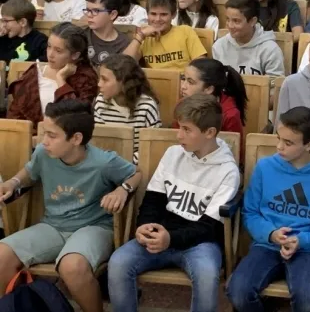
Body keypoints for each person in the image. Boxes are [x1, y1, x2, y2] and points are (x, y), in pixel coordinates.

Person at [0, 99, 140, 312]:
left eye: (52, 135)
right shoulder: (43, 153)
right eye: (44, 133)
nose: (44, 141)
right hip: (53, 226)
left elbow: (136, 173)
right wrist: (13, 182)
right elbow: (30, 171)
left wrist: (122, 190)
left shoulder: (103, 162)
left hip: (93, 227)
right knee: (1, 255)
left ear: (76, 138)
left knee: (72, 267)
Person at [107, 94, 240, 312]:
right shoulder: (173, 154)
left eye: (187, 130)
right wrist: (144, 226)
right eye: (179, 127)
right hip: (160, 234)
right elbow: (153, 200)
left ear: (209, 133)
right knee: (118, 262)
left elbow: (209, 227)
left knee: (207, 275)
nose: (179, 135)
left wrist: (170, 239)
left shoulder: (228, 171)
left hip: (200, 243)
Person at [227, 106, 310, 312]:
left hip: (309, 249)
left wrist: (301, 240)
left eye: (288, 143)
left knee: (307, 302)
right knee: (238, 292)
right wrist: (270, 234)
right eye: (279, 138)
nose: (279, 147)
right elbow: (250, 213)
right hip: (267, 244)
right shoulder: (265, 167)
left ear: (309, 144)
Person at [7, 23, 99, 129]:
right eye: (49, 46)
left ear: (75, 55)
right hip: (28, 134)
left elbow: (75, 118)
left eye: (58, 51)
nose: (50, 54)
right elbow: (15, 113)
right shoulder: (35, 72)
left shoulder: (85, 78)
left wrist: (61, 80)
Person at [94, 54, 160, 163]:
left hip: (136, 165)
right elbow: (99, 142)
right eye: (99, 78)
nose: (99, 84)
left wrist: (125, 164)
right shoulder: (100, 102)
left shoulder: (147, 106)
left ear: (124, 83)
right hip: (107, 163)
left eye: (105, 80)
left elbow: (152, 146)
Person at [123, 0, 207, 70]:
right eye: (153, 14)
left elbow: (201, 67)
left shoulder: (186, 32)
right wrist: (140, 36)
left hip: (182, 78)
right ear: (147, 14)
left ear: (173, 14)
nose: (157, 19)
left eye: (163, 14)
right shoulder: (143, 36)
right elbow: (123, 65)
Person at [212, 0, 284, 76]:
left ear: (253, 21)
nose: (230, 25)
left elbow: (274, 82)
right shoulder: (219, 46)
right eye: (228, 19)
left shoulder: (270, 50)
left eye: (236, 21)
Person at [179, 57, 247, 136]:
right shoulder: (183, 103)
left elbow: (234, 143)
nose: (183, 86)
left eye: (190, 82)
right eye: (183, 79)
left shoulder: (230, 115)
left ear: (209, 89)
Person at [83, 0, 130, 67]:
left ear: (112, 14)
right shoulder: (81, 35)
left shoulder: (123, 44)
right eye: (88, 10)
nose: (89, 15)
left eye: (96, 11)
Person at [0, 0, 47, 65]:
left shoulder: (40, 41)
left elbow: (46, 60)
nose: (3, 25)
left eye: (6, 21)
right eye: (2, 21)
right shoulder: (3, 38)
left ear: (22, 22)